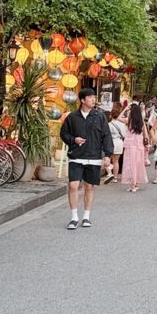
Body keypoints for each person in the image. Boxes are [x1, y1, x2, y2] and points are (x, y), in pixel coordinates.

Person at [60, 87, 113, 230]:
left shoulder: (100, 116)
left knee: (89, 187)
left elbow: (106, 136)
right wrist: (74, 139)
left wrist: (107, 155)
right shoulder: (72, 117)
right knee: (73, 186)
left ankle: (86, 216)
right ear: (82, 100)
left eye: (94, 98)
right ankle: (74, 217)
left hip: (94, 156)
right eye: (90, 98)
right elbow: (64, 134)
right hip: (76, 156)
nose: (93, 100)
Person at [121, 103, 148, 192]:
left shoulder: (129, 120)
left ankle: (133, 185)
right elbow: (146, 134)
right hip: (139, 145)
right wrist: (146, 144)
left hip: (130, 145)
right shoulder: (142, 121)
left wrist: (125, 109)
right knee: (138, 164)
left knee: (130, 164)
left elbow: (118, 118)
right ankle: (136, 184)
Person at [105, 105, 127, 184]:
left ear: (111, 115)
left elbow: (106, 135)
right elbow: (124, 134)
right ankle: (115, 178)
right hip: (119, 142)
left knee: (107, 160)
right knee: (116, 161)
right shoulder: (123, 124)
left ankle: (109, 173)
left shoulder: (109, 124)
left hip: (110, 143)